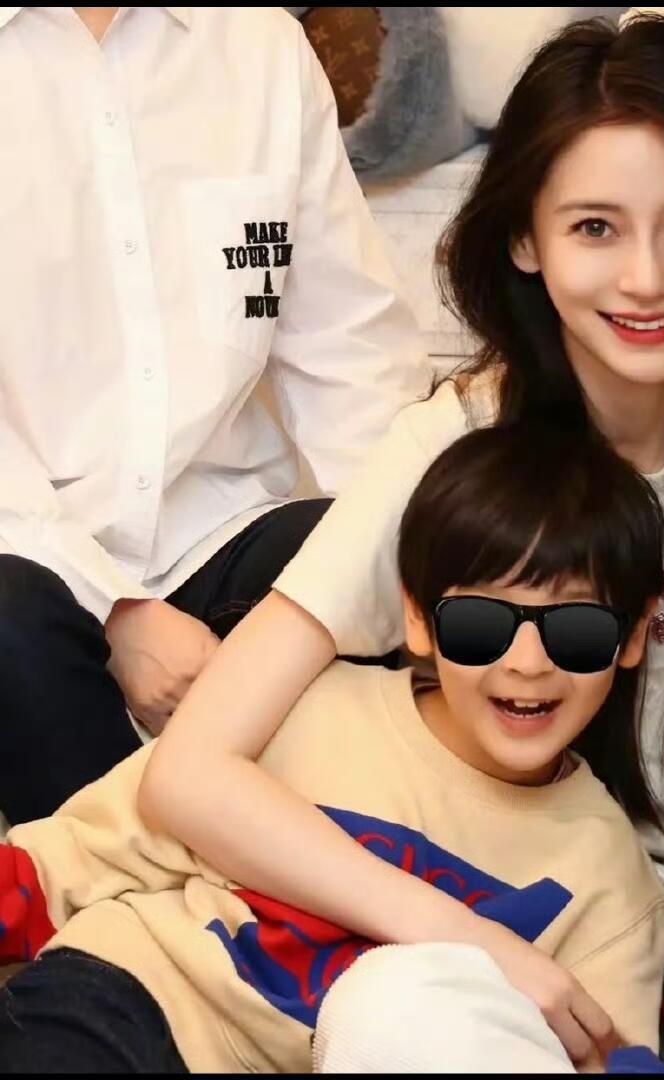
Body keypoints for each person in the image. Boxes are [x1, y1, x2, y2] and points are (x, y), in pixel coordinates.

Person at [140, 13, 664, 1072]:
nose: (647, 278)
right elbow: (188, 773)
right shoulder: (450, 446)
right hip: (471, 924)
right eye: (595, 228)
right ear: (524, 240)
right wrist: (473, 942)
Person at [0, 424, 664, 1074]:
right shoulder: (308, 708)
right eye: (479, 624)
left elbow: (600, 1051)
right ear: (417, 618)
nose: (527, 663)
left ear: (634, 635)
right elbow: (85, 852)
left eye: (577, 631)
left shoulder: (607, 878)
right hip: (137, 997)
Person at [0, 5, 427, 825]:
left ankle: (277, 879)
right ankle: (128, 891)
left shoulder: (260, 47)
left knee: (392, 557)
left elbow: (355, 359)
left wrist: (410, 563)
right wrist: (117, 612)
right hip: (24, 551)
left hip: (215, 534)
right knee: (7, 620)